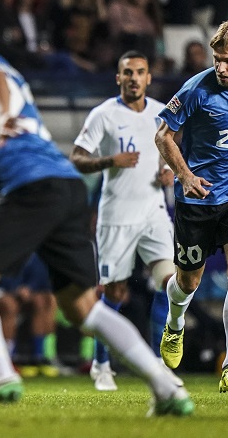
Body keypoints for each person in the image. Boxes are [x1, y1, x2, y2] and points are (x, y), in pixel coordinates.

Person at [0, 0, 190, 415]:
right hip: (66, 187)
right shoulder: (10, 69)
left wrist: (0, 117)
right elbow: (23, 160)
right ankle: (167, 389)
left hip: (38, 190)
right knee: (83, 308)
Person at [69, 51, 176, 391]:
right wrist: (109, 161)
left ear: (148, 78)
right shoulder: (104, 114)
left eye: (140, 72)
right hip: (116, 217)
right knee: (115, 291)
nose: (133, 78)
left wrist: (170, 170)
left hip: (154, 212)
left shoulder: (162, 113)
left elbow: (175, 150)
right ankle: (101, 364)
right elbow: (77, 158)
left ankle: (160, 365)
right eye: (127, 72)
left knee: (170, 283)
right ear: (118, 78)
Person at [155, 20, 228, 394]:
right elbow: (163, 135)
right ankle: (175, 325)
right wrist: (185, 175)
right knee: (189, 280)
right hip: (198, 197)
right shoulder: (197, 89)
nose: (221, 67)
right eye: (217, 59)